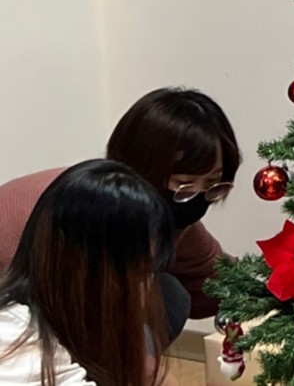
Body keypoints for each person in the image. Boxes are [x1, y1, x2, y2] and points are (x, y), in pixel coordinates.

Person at [0, 88, 240, 338]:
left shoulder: (167, 215)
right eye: (184, 184)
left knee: (168, 296)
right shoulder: (78, 215)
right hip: (21, 314)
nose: (198, 197)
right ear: (143, 168)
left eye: (213, 183)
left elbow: (214, 275)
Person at [0, 159, 176, 386]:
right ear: (90, 271)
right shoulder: (24, 354)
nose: (147, 285)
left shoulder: (45, 320)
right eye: (141, 271)